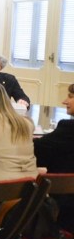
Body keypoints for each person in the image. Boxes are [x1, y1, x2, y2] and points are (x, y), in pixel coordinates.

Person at [34, 84, 74, 230]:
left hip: (64, 205)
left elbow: (38, 151)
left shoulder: (68, 128)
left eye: (70, 97)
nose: (64, 101)